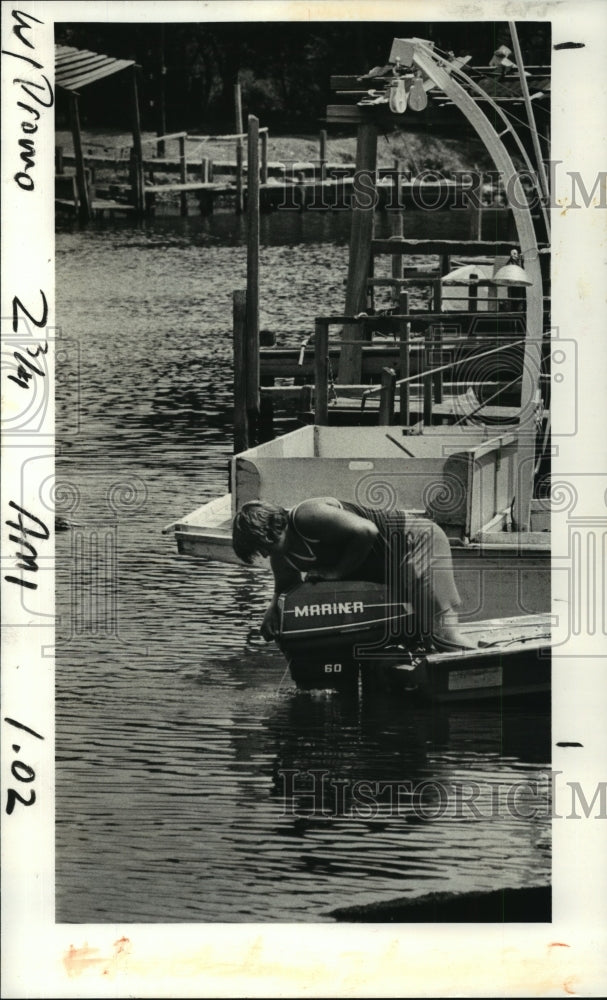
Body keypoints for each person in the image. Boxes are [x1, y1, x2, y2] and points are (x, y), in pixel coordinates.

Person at [232, 496, 476, 650]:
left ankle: (487, 660)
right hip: (389, 566)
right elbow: (285, 588)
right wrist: (271, 612)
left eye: (264, 547)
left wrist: (336, 573)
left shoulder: (305, 516)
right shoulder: (281, 556)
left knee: (443, 636)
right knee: (414, 639)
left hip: (415, 542)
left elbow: (366, 531)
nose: (265, 555)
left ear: (272, 530)